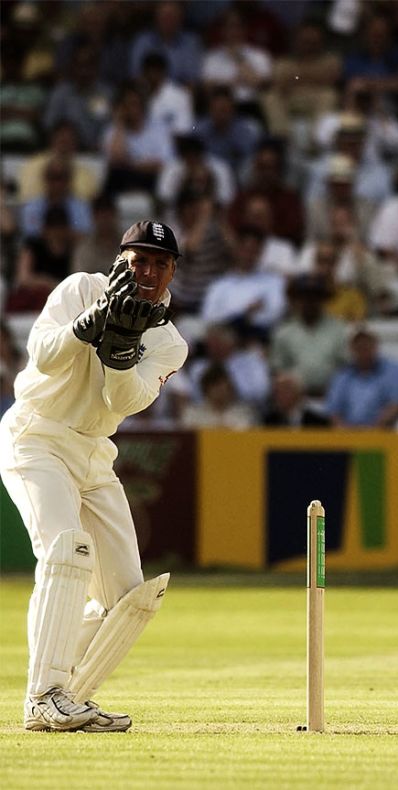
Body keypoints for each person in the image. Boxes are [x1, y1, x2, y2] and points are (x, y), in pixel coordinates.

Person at [0, 221, 189, 732]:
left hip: (94, 453)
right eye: (138, 260)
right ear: (120, 259)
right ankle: (44, 694)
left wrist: (122, 352)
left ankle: (69, 696)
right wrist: (92, 322)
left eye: (159, 262)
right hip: (37, 434)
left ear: (173, 271)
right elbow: (42, 354)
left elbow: (122, 401)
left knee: (126, 598)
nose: (147, 271)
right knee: (67, 551)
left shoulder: (170, 344)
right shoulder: (79, 288)